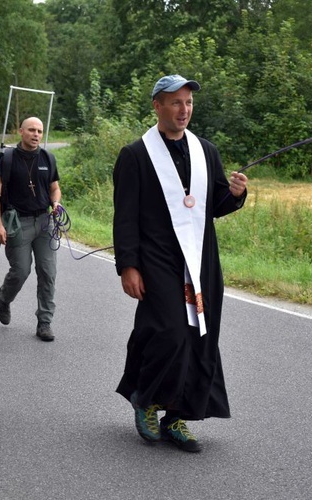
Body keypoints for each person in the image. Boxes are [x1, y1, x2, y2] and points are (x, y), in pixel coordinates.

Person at [112, 74, 248, 453]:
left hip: (201, 262)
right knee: (169, 332)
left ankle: (178, 417)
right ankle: (147, 399)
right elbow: (124, 217)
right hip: (157, 260)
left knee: (197, 339)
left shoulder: (206, 151)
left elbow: (213, 205)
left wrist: (236, 195)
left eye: (188, 102)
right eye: (175, 102)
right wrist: (128, 265)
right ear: (157, 105)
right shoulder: (135, 155)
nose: (183, 109)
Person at [0, 117, 62, 342]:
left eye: (39, 131)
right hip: (17, 222)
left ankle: (45, 322)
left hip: (44, 221)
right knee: (21, 271)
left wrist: (56, 203)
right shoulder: (9, 158)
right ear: (21, 131)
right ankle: (3, 298)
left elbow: (55, 188)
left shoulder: (47, 158)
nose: (36, 134)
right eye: (31, 130)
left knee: (48, 272)